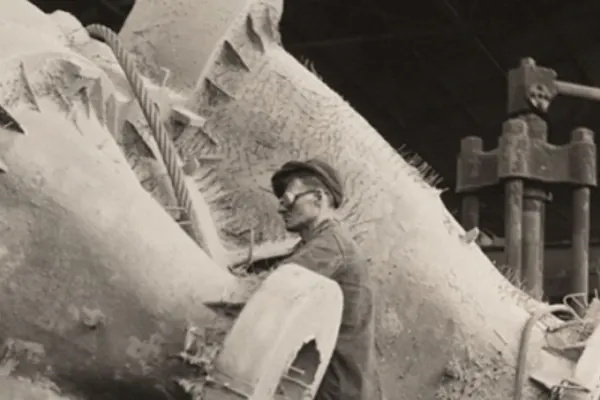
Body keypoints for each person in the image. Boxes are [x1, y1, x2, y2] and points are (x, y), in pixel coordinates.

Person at [270, 158, 379, 400]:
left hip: (336, 392)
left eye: (288, 199)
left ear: (318, 198)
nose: (280, 208)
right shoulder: (317, 244)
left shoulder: (330, 247)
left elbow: (270, 291)